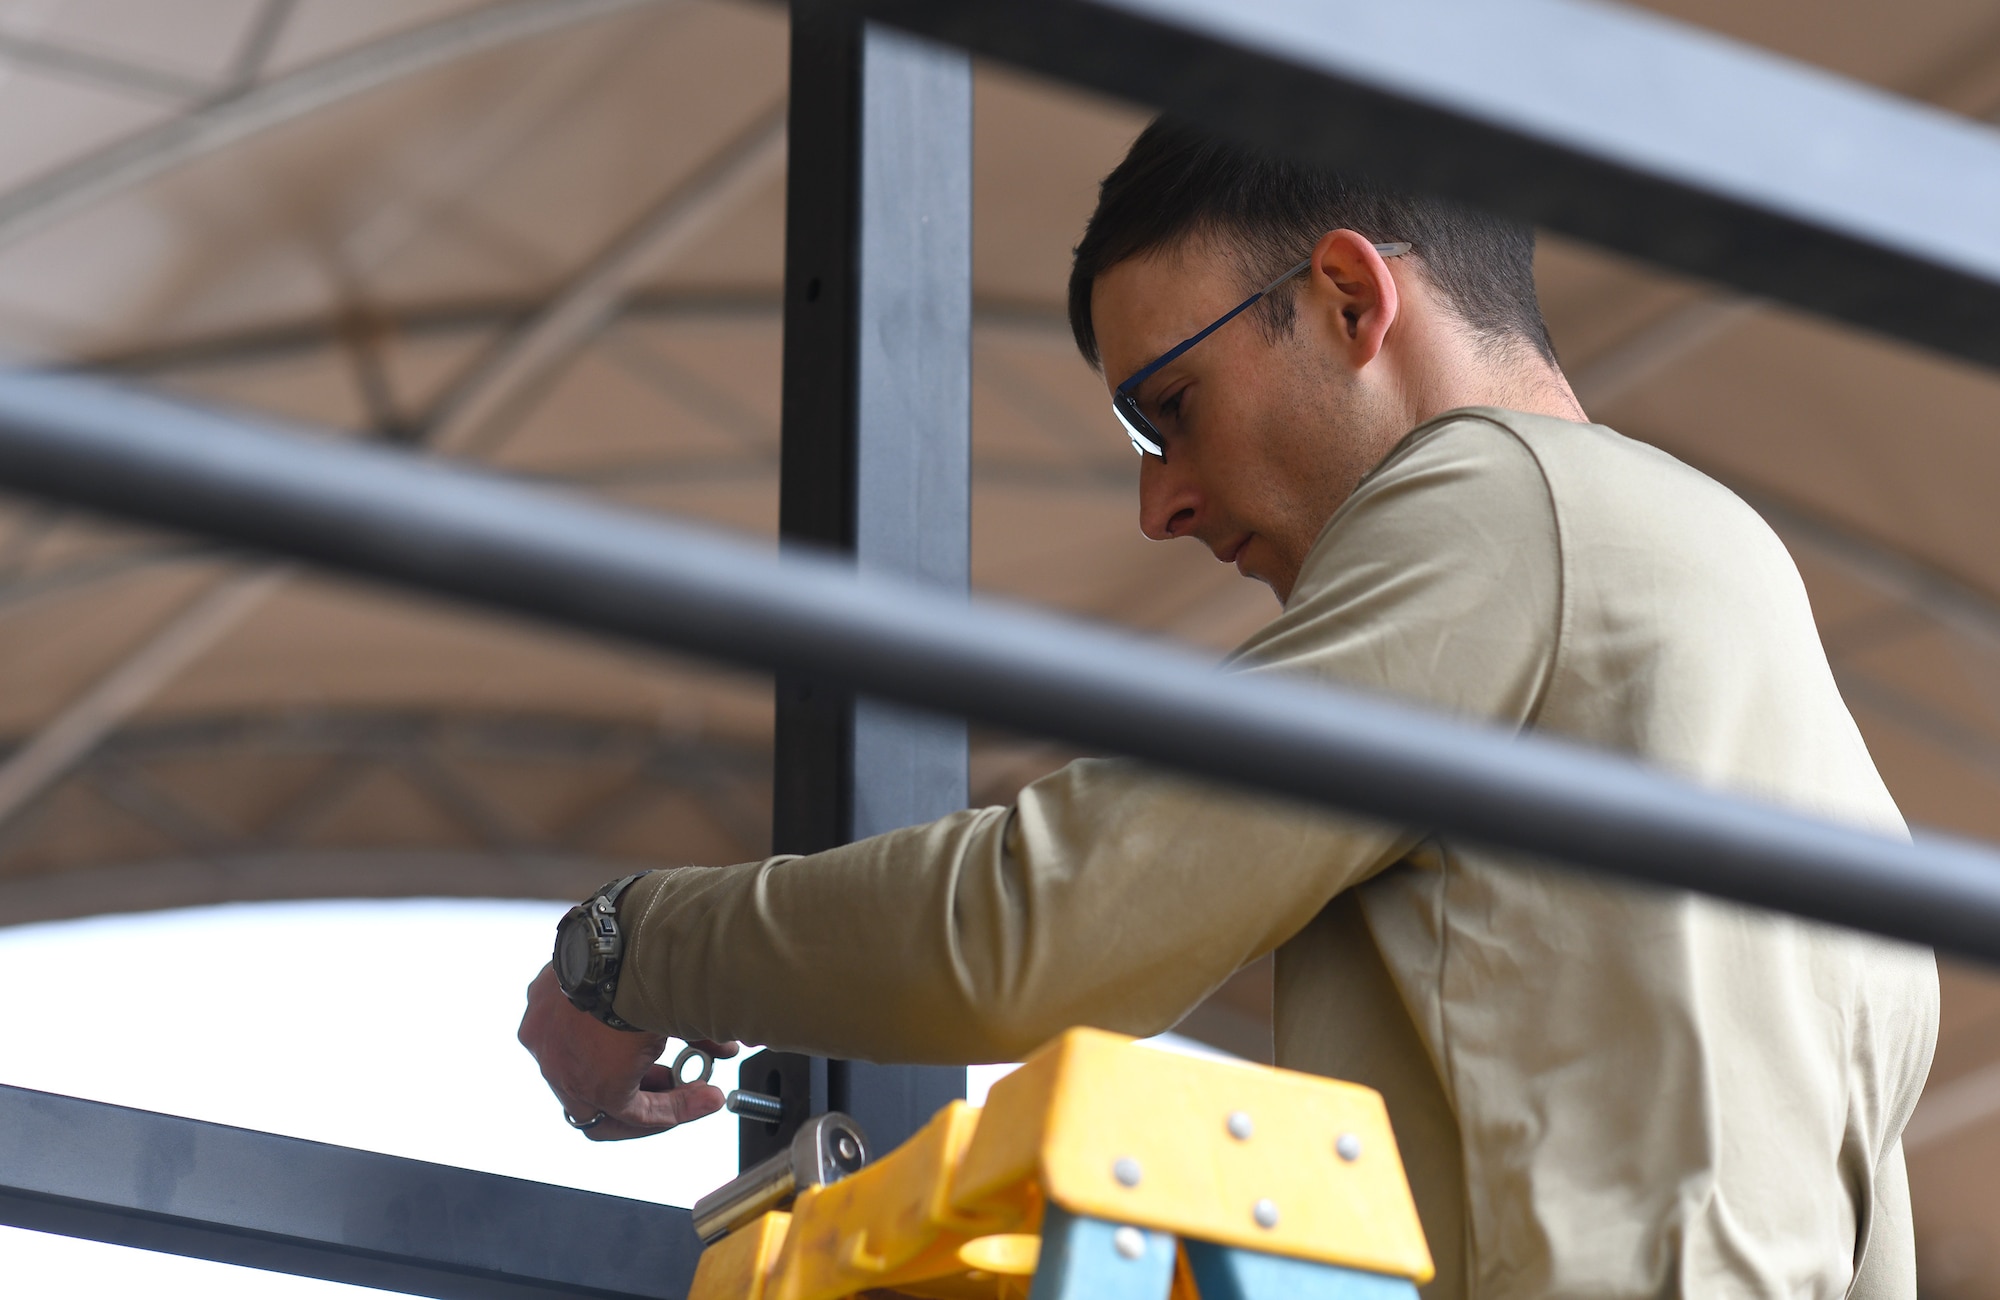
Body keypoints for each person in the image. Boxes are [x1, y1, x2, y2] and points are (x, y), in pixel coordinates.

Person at [518, 118, 1937, 1299]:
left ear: (1350, 298)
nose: (1160, 503)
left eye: (1169, 406)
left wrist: (626, 948)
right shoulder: (1733, 606)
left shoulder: (1507, 500)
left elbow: (1040, 925)